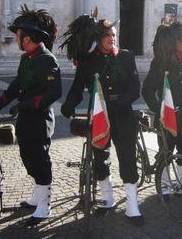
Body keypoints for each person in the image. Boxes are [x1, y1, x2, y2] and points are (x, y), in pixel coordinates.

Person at [60, 14, 144, 226]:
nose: (111, 38)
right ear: (98, 38)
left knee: (127, 158)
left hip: (123, 113)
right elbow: (77, 88)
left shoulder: (126, 56)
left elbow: (135, 87)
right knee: (100, 157)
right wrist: (68, 105)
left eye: (113, 35)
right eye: (107, 35)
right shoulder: (88, 62)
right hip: (99, 114)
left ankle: (133, 206)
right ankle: (107, 197)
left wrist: (121, 103)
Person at [0, 5, 61, 226]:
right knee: (26, 156)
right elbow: (15, 86)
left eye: (19, 35)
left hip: (40, 119)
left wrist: (26, 105)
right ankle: (37, 194)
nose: (16, 38)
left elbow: (54, 92)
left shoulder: (46, 59)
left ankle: (45, 204)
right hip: (26, 118)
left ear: (27, 39)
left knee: (40, 159)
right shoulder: (27, 59)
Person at [142, 21, 182, 196]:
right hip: (168, 116)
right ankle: (165, 184)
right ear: (173, 41)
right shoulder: (161, 63)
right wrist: (160, 108)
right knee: (167, 150)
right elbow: (147, 89)